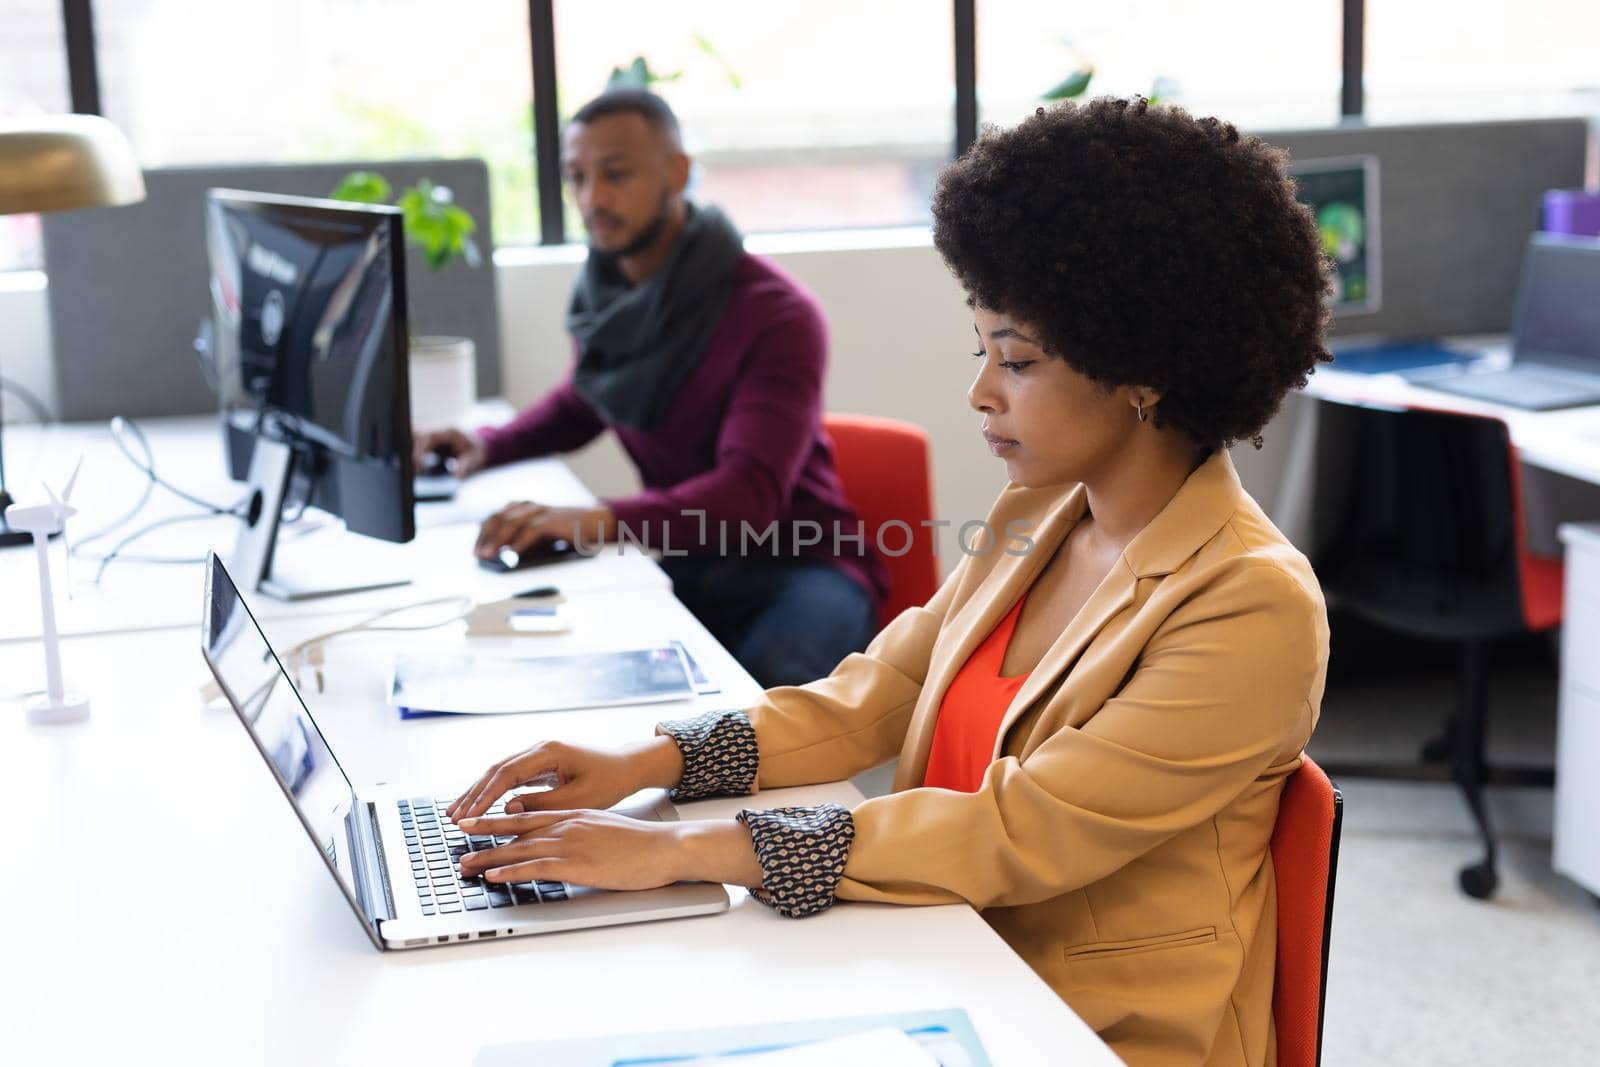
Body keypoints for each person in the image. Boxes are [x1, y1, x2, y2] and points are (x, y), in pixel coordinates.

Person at [444, 97, 1333, 1066]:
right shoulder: (1037, 513)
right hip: (938, 957)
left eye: (1017, 359)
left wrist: (682, 851)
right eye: (980, 349)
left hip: (1083, 1026)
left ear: (1144, 374)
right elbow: (872, 696)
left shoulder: (1250, 603)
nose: (979, 391)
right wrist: (644, 761)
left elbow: (1017, 829)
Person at [415, 89, 886, 688]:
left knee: (754, 717)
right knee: (584, 668)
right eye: (576, 177)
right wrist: (485, 445)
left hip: (802, 566)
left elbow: (748, 496)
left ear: (678, 172)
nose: (591, 199)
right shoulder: (611, 296)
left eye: (615, 175)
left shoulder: (775, 313)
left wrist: (592, 520)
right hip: (693, 560)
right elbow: (585, 401)